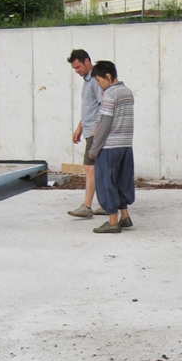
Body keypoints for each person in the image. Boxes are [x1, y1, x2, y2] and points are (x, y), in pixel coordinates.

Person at [88, 60, 135, 234]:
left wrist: (94, 149)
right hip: (125, 145)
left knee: (107, 181)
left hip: (109, 147)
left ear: (108, 76)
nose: (99, 86)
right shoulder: (127, 92)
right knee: (122, 180)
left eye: (99, 81)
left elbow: (105, 123)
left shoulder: (109, 95)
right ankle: (125, 216)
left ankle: (112, 221)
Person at [67, 48, 104, 219]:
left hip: (95, 132)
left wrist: (97, 131)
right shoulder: (87, 81)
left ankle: (87, 206)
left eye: (78, 67)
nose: (77, 72)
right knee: (100, 168)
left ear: (87, 61)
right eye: (75, 69)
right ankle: (107, 204)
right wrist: (79, 128)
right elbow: (90, 108)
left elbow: (102, 107)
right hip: (90, 130)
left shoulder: (96, 81)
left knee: (90, 167)